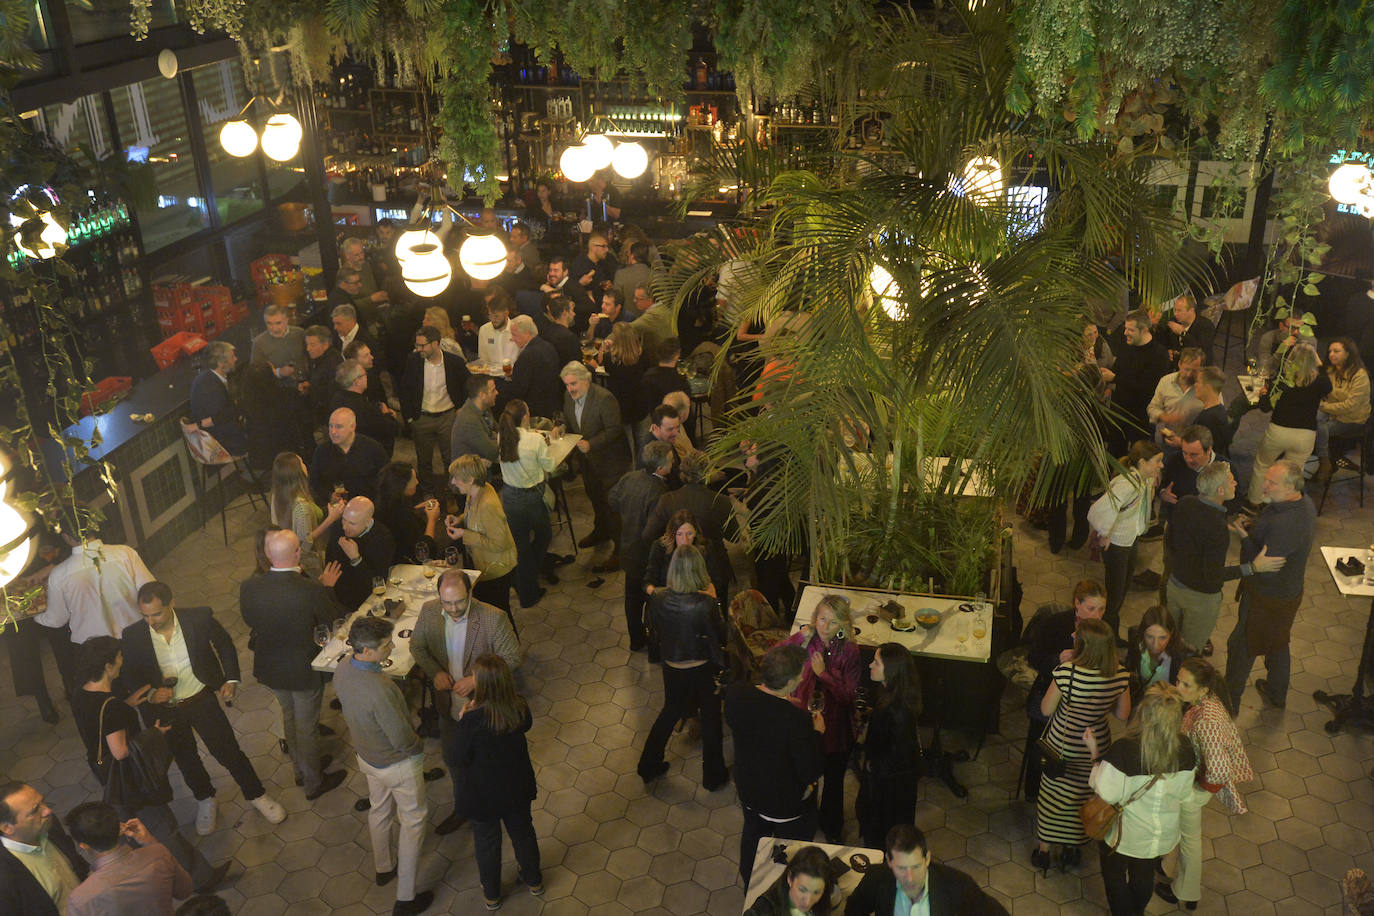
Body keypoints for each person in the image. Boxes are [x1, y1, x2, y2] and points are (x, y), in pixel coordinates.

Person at [121, 582, 286, 836]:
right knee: (186, 758)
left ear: (171, 604)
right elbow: (130, 673)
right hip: (164, 709)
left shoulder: (198, 618)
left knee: (228, 751)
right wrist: (152, 694)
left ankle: (257, 795)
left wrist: (230, 679)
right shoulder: (132, 635)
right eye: (145, 616)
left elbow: (225, 645)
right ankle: (205, 798)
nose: (151, 621)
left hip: (200, 699)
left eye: (157, 614)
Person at [70, 638, 226, 893]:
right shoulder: (111, 709)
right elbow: (120, 751)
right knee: (163, 829)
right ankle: (200, 879)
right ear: (108, 666)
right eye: (119, 658)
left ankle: (148, 880)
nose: (122, 662)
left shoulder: (81, 694)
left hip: (103, 771)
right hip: (129, 779)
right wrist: (155, 734)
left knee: (128, 829)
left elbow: (98, 725)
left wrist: (127, 704)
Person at [331, 616, 433, 916]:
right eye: (386, 645)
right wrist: (418, 748)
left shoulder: (343, 668)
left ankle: (384, 867)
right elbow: (401, 736)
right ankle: (405, 898)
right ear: (366, 650)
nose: (391, 647)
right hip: (396, 764)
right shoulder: (380, 688)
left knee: (379, 809)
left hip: (366, 757)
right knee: (414, 821)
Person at [409, 569, 522, 836]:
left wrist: (476, 679)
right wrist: (435, 672)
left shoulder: (493, 618)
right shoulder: (429, 612)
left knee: (490, 761)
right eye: (446, 602)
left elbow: (513, 657)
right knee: (454, 758)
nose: (453, 609)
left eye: (459, 601)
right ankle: (464, 807)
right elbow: (418, 647)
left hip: (486, 707)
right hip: (449, 705)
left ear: (470, 593)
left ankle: (498, 803)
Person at [240, 530, 347, 800]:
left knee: (289, 717)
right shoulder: (310, 589)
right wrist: (327, 590)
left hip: (271, 666)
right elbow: (332, 620)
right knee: (307, 725)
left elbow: (249, 619)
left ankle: (300, 769)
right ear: (297, 553)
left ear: (268, 555)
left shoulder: (250, 587)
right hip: (302, 669)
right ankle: (313, 782)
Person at [1085, 685, 1207, 916]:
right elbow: (1183, 794)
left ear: (1143, 714)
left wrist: (1095, 754)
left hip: (1125, 835)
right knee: (1143, 874)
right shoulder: (1186, 751)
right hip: (1160, 836)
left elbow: (1106, 792)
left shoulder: (1125, 750)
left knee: (1114, 875)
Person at [1033, 618, 1130, 874]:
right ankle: (1072, 847)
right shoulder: (1120, 674)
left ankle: (1044, 849)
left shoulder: (1068, 672)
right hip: (1095, 746)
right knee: (1083, 795)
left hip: (1062, 744)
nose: (1072, 633)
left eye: (1077, 634)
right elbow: (1123, 714)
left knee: (1053, 794)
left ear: (1085, 646)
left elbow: (1045, 709)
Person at [726, 644, 825, 883]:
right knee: (792, 847)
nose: (803, 677)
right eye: (800, 674)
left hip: (749, 790)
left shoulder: (736, 693)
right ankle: (783, 883)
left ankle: (750, 881)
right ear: (790, 683)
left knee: (753, 835)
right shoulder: (797, 720)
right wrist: (818, 734)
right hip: (785, 803)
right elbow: (809, 770)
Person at [452, 654, 543, 910]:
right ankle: (534, 880)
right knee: (523, 833)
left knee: (487, 842)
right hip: (516, 787)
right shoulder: (519, 707)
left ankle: (492, 894)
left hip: (483, 796)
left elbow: (458, 757)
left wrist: (462, 719)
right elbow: (526, 726)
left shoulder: (471, 721)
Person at [1163, 657, 1255, 908]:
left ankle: (1185, 892)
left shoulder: (1207, 721)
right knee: (1189, 838)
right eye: (1178, 681)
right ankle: (1186, 891)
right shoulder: (1207, 702)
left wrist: (1196, 793)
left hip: (1195, 788)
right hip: (1194, 782)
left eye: (1185, 685)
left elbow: (1219, 770)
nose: (1177, 687)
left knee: (1190, 841)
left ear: (1203, 689)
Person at [1166, 460, 1285, 653]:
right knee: (1188, 651)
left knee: (1168, 640)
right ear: (1220, 491)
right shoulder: (1216, 526)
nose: (1236, 484)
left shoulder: (1186, 502)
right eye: (1231, 481)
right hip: (1200, 598)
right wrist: (1253, 567)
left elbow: (1171, 541)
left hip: (1174, 586)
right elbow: (1213, 575)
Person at [1224, 459, 1316, 708]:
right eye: (1266, 479)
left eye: (1271, 483)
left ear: (1290, 488)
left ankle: (1228, 704)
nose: (1263, 486)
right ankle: (1276, 693)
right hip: (1287, 592)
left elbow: (1264, 568)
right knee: (1277, 640)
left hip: (1266, 597)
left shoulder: (1287, 524)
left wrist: (1245, 539)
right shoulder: (1299, 504)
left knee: (1241, 646)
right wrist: (1253, 529)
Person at [637, 544, 729, 788]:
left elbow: (656, 631)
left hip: (671, 665)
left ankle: (648, 764)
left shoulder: (657, 598)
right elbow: (720, 635)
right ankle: (713, 775)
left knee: (670, 712)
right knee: (711, 719)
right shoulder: (704, 603)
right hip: (701, 667)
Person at [774, 594, 861, 843]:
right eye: (822, 619)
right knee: (807, 781)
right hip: (805, 725)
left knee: (833, 785)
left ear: (843, 626)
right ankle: (806, 827)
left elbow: (849, 698)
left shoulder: (850, 652)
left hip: (835, 731)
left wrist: (824, 675)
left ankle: (832, 828)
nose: (825, 627)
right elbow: (775, 657)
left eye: (833, 623)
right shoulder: (808, 637)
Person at [1022, 580, 1108, 800]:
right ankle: (1033, 793)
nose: (1097, 616)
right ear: (1076, 604)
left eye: (1101, 609)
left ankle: (1069, 794)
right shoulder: (1056, 624)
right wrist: (1056, 659)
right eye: (1091, 608)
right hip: (1049, 697)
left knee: (1077, 752)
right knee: (1040, 746)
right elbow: (1032, 656)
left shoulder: (1105, 630)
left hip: (1082, 705)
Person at [35, 535, 154, 672]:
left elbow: (56, 620)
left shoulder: (59, 574)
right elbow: (149, 591)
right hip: (135, 636)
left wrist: (36, 617)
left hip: (93, 649)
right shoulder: (125, 553)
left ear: (66, 537)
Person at [1086, 440, 1163, 642]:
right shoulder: (1126, 484)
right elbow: (1097, 511)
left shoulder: (1143, 479)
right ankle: (1105, 637)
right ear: (1141, 463)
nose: (1161, 466)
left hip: (1131, 540)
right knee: (1115, 594)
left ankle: (1110, 633)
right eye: (1157, 461)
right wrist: (1104, 533)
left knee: (1123, 586)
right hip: (1118, 545)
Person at [843, 824, 1009, 916]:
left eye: (916, 866)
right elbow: (854, 909)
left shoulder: (957, 884)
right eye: (902, 868)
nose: (910, 878)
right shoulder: (876, 878)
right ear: (889, 862)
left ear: (927, 859)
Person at [609, 441, 677, 652]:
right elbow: (654, 530)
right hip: (647, 556)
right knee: (652, 599)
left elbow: (611, 499)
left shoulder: (629, 478)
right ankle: (655, 643)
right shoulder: (659, 493)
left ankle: (635, 639)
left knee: (631, 599)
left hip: (628, 549)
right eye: (671, 461)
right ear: (660, 468)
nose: (673, 464)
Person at [64, 803, 191, 916]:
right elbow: (184, 891)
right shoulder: (158, 854)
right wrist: (150, 841)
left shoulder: (80, 900)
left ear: (84, 845)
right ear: (120, 829)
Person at [1245, 342, 1330, 509]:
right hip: (1305, 435)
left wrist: (1263, 395)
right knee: (1293, 473)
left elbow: (1265, 407)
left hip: (1278, 431)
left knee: (1262, 465)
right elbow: (1328, 382)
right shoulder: (1320, 382)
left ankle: (1255, 503)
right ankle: (1286, 506)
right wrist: (1317, 362)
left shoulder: (1281, 381)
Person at [857, 645, 922, 850]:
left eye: (876, 662)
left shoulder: (899, 711)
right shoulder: (890, 693)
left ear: (891, 671)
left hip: (889, 791)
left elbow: (900, 757)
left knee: (882, 833)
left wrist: (872, 767)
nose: (870, 665)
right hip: (885, 783)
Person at [561, 360, 628, 558]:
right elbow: (570, 419)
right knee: (595, 499)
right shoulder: (568, 396)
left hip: (610, 462)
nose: (570, 389)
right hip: (587, 462)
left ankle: (620, 549)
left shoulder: (604, 399)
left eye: (573, 384)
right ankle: (601, 532)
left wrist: (592, 444)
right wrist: (563, 427)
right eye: (566, 384)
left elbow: (614, 429)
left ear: (586, 381)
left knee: (612, 506)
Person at [497, 399, 556, 607]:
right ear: (525, 417)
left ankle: (524, 585)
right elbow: (550, 465)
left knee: (520, 545)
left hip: (510, 497)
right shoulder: (534, 440)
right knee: (544, 536)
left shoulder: (502, 436)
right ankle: (529, 578)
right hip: (531, 497)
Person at [445, 455, 519, 624]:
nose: (454, 482)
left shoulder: (488, 505)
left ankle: (509, 649)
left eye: (456, 478)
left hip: (497, 571)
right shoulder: (477, 490)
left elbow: (500, 543)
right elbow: (474, 517)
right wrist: (460, 519)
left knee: (499, 616)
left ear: (470, 479)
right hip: (484, 566)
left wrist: (464, 535)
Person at [0, 781, 87, 915]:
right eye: (35, 810)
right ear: (7, 828)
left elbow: (76, 863)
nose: (47, 810)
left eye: (43, 802)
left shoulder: (48, 825)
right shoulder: (5, 878)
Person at [401, 325, 469, 488]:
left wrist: (461, 409)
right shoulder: (413, 360)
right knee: (424, 460)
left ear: (436, 344)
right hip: (422, 418)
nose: (418, 349)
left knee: (451, 459)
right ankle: (427, 492)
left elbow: (467, 386)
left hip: (448, 417)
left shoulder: (454, 362)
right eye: (417, 345)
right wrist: (410, 418)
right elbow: (405, 389)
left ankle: (452, 493)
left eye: (422, 345)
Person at [1101, 309, 1172, 454]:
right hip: (1119, 411)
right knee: (1114, 451)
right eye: (1125, 328)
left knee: (1141, 456)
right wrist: (1109, 385)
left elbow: (1148, 388)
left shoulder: (1159, 355)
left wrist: (1114, 378)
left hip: (1141, 416)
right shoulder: (1127, 345)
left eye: (1130, 329)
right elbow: (1118, 369)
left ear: (1145, 330)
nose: (1125, 333)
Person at [643, 509, 731, 610]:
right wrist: (661, 598)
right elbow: (647, 583)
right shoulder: (659, 548)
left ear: (696, 533)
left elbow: (716, 581)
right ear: (673, 534)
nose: (685, 540)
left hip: (697, 604)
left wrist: (699, 596)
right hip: (668, 605)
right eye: (679, 534)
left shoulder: (705, 547)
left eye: (689, 533)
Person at [268, 451, 337, 577]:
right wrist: (331, 519)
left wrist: (330, 504)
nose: (305, 465)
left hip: (287, 556)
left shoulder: (277, 495)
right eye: (302, 463)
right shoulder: (301, 506)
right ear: (297, 472)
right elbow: (305, 543)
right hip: (307, 564)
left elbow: (313, 515)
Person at [323, 495, 397, 610]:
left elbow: (377, 582)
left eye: (352, 524)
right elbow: (331, 565)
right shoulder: (338, 527)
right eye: (344, 519)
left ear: (368, 522)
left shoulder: (382, 537)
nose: (344, 527)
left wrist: (356, 559)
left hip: (367, 601)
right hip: (341, 598)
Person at [1315, 336, 1371, 479]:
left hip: (1353, 420)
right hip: (1334, 412)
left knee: (1318, 430)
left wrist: (1324, 405)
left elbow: (1350, 406)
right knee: (1309, 421)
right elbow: (1328, 394)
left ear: (1347, 354)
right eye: (1330, 351)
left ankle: (1326, 462)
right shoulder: (1331, 371)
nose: (1331, 354)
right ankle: (1329, 459)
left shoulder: (1360, 375)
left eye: (1336, 351)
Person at [308, 407, 389, 503]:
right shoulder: (322, 451)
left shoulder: (373, 449)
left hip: (368, 507)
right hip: (336, 508)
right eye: (330, 426)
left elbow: (387, 479)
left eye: (338, 427)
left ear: (352, 426)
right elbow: (314, 481)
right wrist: (329, 496)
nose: (333, 431)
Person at [1123, 605, 1193, 705]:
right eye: (1150, 637)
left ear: (1172, 633)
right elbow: (1130, 665)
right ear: (1143, 633)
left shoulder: (1184, 656)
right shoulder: (1135, 640)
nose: (1156, 645)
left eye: (1162, 638)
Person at [373, 462, 441, 565]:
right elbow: (424, 552)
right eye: (413, 480)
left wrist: (414, 509)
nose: (417, 482)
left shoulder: (382, 502)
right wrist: (432, 520)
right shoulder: (403, 517)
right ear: (402, 485)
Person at [188, 341, 247, 454]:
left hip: (219, 432)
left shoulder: (209, 377)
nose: (236, 359)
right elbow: (220, 418)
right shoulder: (210, 387)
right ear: (221, 363)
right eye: (232, 357)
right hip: (220, 443)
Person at [745, 845, 836, 916]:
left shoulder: (825, 895)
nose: (807, 902)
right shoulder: (764, 909)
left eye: (816, 892)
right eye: (802, 889)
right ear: (790, 878)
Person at [332, 358, 399, 454]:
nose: (367, 377)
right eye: (364, 374)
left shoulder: (337, 398)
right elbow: (388, 428)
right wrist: (388, 415)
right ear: (356, 381)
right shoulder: (363, 407)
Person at [504, 315, 563, 420]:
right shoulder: (548, 346)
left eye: (514, 335)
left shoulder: (526, 356)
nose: (512, 339)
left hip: (534, 412)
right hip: (553, 405)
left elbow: (518, 390)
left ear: (526, 333)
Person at [1147, 347, 1204, 445]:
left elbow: (1215, 417)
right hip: (1164, 440)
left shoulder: (1207, 388)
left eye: (1194, 371)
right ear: (1180, 364)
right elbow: (1152, 408)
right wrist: (1163, 416)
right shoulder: (1166, 381)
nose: (1189, 374)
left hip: (1192, 445)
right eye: (1187, 369)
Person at [251, 306, 309, 391]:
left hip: (306, 383)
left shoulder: (299, 333)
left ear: (286, 320)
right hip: (281, 390)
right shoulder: (259, 343)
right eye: (269, 323)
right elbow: (256, 373)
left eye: (278, 323)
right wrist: (279, 372)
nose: (274, 328)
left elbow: (312, 358)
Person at [600, 322, 650, 421]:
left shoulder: (610, 358)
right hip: (639, 402)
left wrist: (605, 348)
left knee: (626, 434)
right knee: (641, 434)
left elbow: (603, 364)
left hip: (620, 404)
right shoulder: (642, 355)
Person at [450, 374, 500, 467]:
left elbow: (499, 431)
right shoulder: (469, 421)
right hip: (468, 478)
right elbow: (492, 451)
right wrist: (496, 438)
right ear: (482, 395)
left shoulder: (484, 408)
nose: (497, 393)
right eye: (493, 390)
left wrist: (494, 437)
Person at [299, 325, 342, 427]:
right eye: (307, 344)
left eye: (312, 345)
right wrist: (309, 384)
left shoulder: (333, 364)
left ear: (325, 345)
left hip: (330, 417)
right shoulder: (317, 358)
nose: (308, 349)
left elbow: (330, 394)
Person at [639, 337, 691, 419]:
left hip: (653, 419)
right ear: (676, 356)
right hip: (676, 421)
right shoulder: (680, 380)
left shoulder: (647, 376)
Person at [1189, 366, 1233, 457]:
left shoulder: (1209, 419)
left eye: (1198, 382)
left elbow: (1201, 452)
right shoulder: (1217, 412)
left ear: (1208, 388)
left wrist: (1179, 442)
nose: (1195, 385)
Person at [1156, 295, 1215, 361]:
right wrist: (1167, 351)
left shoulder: (1206, 325)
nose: (1175, 314)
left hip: (1197, 365)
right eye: (1175, 310)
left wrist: (1183, 333)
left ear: (1191, 311)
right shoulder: (1174, 322)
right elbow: (1163, 341)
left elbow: (1201, 350)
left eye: (1179, 310)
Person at [477, 296, 520, 369]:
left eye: (496, 316)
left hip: (513, 375)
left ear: (506, 313)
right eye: (490, 315)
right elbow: (483, 359)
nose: (493, 319)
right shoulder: (484, 330)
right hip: (491, 375)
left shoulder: (517, 329)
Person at [614, 239, 653, 312]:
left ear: (632, 256)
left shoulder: (621, 274)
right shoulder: (655, 275)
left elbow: (616, 300)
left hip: (628, 321)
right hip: (651, 320)